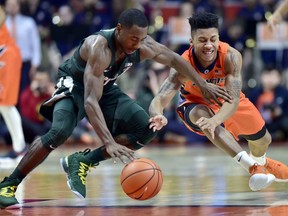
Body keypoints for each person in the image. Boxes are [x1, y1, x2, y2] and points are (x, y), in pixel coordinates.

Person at [0, 8, 232, 208]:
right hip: (75, 87)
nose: (137, 45)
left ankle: (82, 161)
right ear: (119, 29)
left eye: (142, 39)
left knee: (146, 128)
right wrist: (109, 142)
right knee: (60, 132)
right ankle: (8, 185)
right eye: (133, 38)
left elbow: (175, 60)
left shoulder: (143, 44)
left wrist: (202, 84)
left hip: (105, 87)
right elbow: (90, 101)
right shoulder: (99, 47)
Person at [149, 12, 288, 192]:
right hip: (194, 103)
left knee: (263, 140)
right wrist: (157, 114)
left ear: (218, 38)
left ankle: (261, 162)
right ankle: (253, 168)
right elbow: (159, 98)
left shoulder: (231, 56)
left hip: (227, 99)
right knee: (204, 118)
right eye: (202, 40)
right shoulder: (183, 65)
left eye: (213, 39)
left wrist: (216, 119)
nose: (209, 45)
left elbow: (234, 100)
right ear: (192, 41)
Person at [0, 6, 26, 161]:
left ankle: (20, 148)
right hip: (4, 55)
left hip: (7, 56)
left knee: (6, 104)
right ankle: (19, 147)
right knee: (3, 106)